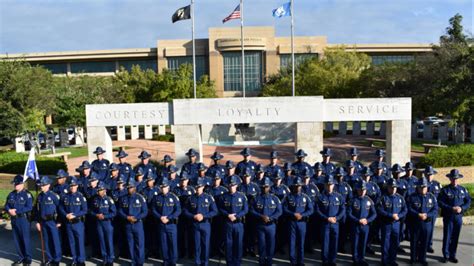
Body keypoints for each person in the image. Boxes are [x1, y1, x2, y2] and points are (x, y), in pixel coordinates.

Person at [438, 169, 471, 263]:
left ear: (458, 178)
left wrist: (462, 208)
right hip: (448, 217)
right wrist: (451, 208)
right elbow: (440, 202)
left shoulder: (463, 190)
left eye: (456, 178)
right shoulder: (445, 190)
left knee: (455, 237)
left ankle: (453, 255)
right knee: (447, 236)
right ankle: (446, 255)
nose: (454, 180)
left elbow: (468, 201)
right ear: (450, 178)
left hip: (458, 217)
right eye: (453, 178)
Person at [183, 177, 218, 266]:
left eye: (199, 187)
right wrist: (193, 216)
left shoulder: (209, 197)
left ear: (203, 187)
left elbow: (214, 211)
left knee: (205, 244)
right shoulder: (190, 198)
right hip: (195, 224)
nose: (198, 188)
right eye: (196, 187)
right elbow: (185, 211)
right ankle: (197, 262)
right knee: (196, 244)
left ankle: (205, 262)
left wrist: (204, 216)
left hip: (205, 224)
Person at [250, 177, 282, 266]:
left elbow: (279, 211)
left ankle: (269, 261)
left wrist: (271, 218)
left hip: (271, 225)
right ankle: (261, 261)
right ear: (260, 187)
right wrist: (261, 216)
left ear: (269, 187)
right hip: (260, 225)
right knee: (261, 244)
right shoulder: (256, 198)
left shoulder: (275, 198)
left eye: (266, 187)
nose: (265, 188)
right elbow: (252, 210)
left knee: (271, 244)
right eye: (263, 187)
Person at [314, 175, 345, 266]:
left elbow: (342, 209)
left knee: (334, 242)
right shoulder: (320, 197)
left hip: (335, 223)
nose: (329, 186)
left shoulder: (339, 196)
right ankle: (325, 260)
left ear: (333, 185)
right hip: (325, 223)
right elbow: (317, 210)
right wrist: (326, 218)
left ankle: (333, 260)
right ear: (324, 185)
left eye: (331, 184)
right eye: (327, 184)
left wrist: (337, 218)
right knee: (325, 243)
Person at [283, 177, 314, 266]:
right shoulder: (288, 197)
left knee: (301, 243)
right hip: (291, 222)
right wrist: (293, 214)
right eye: (296, 186)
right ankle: (292, 261)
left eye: (299, 186)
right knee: (292, 243)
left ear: (301, 186)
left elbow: (311, 210)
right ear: (293, 186)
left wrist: (302, 215)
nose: (297, 187)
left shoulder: (306, 197)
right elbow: (284, 208)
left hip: (302, 223)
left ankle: (300, 261)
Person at [218, 175, 249, 266]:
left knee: (238, 244)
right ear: (228, 186)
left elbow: (245, 209)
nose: (232, 187)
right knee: (228, 244)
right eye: (230, 185)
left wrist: (237, 216)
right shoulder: (223, 197)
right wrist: (227, 215)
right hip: (228, 223)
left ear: (236, 185)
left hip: (238, 223)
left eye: (233, 185)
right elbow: (220, 208)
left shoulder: (242, 196)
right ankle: (229, 262)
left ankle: (237, 262)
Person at [407, 177, 438, 266]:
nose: (423, 189)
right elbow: (409, 208)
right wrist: (418, 214)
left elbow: (435, 209)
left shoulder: (431, 197)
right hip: (415, 223)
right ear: (418, 187)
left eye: (424, 187)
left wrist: (427, 215)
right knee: (414, 242)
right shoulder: (412, 197)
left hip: (426, 223)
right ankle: (413, 258)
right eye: (421, 187)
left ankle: (422, 258)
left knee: (424, 242)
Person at [377, 178, 407, 266]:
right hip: (386, 224)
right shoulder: (383, 198)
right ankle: (385, 261)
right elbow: (379, 209)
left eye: (395, 187)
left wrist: (399, 216)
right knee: (385, 243)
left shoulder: (400, 198)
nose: (393, 189)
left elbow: (405, 210)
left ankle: (392, 260)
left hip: (396, 224)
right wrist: (390, 215)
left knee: (394, 243)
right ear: (388, 187)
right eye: (391, 187)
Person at [151, 178, 181, 266]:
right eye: (162, 187)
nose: (163, 188)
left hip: (171, 224)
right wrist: (160, 217)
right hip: (161, 224)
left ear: (168, 187)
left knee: (173, 243)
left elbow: (178, 210)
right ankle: (165, 261)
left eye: (165, 187)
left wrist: (169, 218)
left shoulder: (174, 197)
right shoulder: (157, 197)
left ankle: (173, 261)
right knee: (164, 244)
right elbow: (153, 209)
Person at [117, 179, 148, 266]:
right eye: (128, 187)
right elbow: (120, 210)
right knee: (131, 244)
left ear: (134, 187)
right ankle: (133, 261)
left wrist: (136, 218)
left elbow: (144, 211)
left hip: (138, 224)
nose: (129, 189)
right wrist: (127, 217)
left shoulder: (140, 198)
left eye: (131, 187)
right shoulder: (123, 198)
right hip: (128, 224)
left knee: (139, 244)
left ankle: (140, 262)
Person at [59, 177, 88, 266]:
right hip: (69, 223)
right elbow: (61, 207)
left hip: (78, 223)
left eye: (74, 185)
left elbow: (85, 210)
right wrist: (66, 215)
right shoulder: (65, 197)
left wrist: (75, 215)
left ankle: (81, 260)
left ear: (77, 186)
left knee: (79, 241)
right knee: (72, 242)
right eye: (71, 186)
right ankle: (74, 259)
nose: (72, 187)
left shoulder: (81, 196)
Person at [33, 176, 62, 266]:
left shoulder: (53, 196)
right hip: (43, 222)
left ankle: (56, 259)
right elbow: (37, 210)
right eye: (41, 185)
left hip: (52, 221)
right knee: (47, 240)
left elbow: (59, 208)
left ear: (48, 185)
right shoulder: (39, 197)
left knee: (55, 240)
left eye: (43, 185)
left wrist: (59, 221)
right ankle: (49, 258)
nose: (41, 187)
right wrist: (37, 222)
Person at [347, 181, 377, 266]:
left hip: (365, 225)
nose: (362, 191)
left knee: (363, 243)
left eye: (364, 189)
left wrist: (367, 220)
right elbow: (349, 213)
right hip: (355, 225)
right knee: (355, 242)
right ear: (357, 190)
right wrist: (357, 220)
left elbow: (374, 213)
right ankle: (355, 259)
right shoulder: (353, 200)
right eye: (360, 189)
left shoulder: (369, 200)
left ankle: (362, 258)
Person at [6, 175, 33, 266]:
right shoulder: (11, 194)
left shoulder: (27, 195)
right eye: (14, 184)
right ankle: (21, 257)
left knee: (25, 239)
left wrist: (16, 211)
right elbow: (7, 205)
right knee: (17, 239)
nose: (15, 186)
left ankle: (28, 258)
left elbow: (29, 207)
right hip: (14, 220)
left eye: (17, 184)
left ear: (22, 184)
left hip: (23, 220)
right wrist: (9, 210)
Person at [91, 182, 116, 266]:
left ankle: (111, 258)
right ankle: (104, 258)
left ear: (104, 190)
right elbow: (91, 211)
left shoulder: (109, 199)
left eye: (101, 190)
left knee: (109, 241)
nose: (99, 191)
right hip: (99, 223)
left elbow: (114, 212)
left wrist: (105, 216)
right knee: (102, 241)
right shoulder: (95, 199)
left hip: (107, 223)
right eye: (98, 190)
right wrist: (96, 215)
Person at [173, 172, 196, 259]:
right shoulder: (175, 190)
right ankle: (181, 253)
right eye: (182, 180)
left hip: (190, 216)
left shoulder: (192, 190)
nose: (183, 182)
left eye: (185, 180)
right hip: (180, 216)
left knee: (191, 235)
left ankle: (191, 253)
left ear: (188, 180)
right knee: (180, 235)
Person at [238, 168, 260, 257]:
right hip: (242, 214)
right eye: (244, 176)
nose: (246, 178)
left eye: (247, 176)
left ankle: (252, 249)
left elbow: (259, 200)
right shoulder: (239, 187)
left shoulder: (255, 187)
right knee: (244, 233)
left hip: (252, 214)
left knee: (253, 233)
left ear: (250, 176)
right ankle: (244, 249)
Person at [334, 167, 352, 253]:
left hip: (344, 212)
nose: (339, 177)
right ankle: (334, 247)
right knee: (334, 231)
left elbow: (350, 199)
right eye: (338, 175)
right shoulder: (332, 185)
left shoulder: (347, 186)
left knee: (343, 230)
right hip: (334, 211)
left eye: (341, 175)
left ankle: (341, 246)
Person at [423, 165, 441, 253]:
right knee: (422, 229)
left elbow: (440, 198)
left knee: (431, 229)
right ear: (425, 175)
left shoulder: (437, 184)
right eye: (427, 174)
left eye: (431, 174)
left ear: (433, 175)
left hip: (433, 211)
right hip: (423, 210)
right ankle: (421, 244)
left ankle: (429, 245)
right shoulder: (421, 184)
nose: (429, 176)